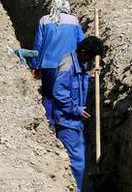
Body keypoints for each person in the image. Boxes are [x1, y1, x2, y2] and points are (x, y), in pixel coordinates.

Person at [52, 36, 104, 192]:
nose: (89, 61)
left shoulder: (79, 63)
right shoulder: (68, 65)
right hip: (66, 121)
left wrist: (89, 74)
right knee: (77, 162)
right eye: (89, 57)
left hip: (75, 122)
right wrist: (76, 109)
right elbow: (59, 93)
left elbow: (76, 82)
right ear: (82, 52)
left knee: (78, 159)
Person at [32, 0, 85, 127]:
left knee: (49, 95)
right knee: (66, 95)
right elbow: (82, 43)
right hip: (68, 66)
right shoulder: (74, 21)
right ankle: (65, 123)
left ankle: (50, 122)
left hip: (49, 65)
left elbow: (38, 45)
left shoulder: (44, 20)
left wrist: (35, 65)